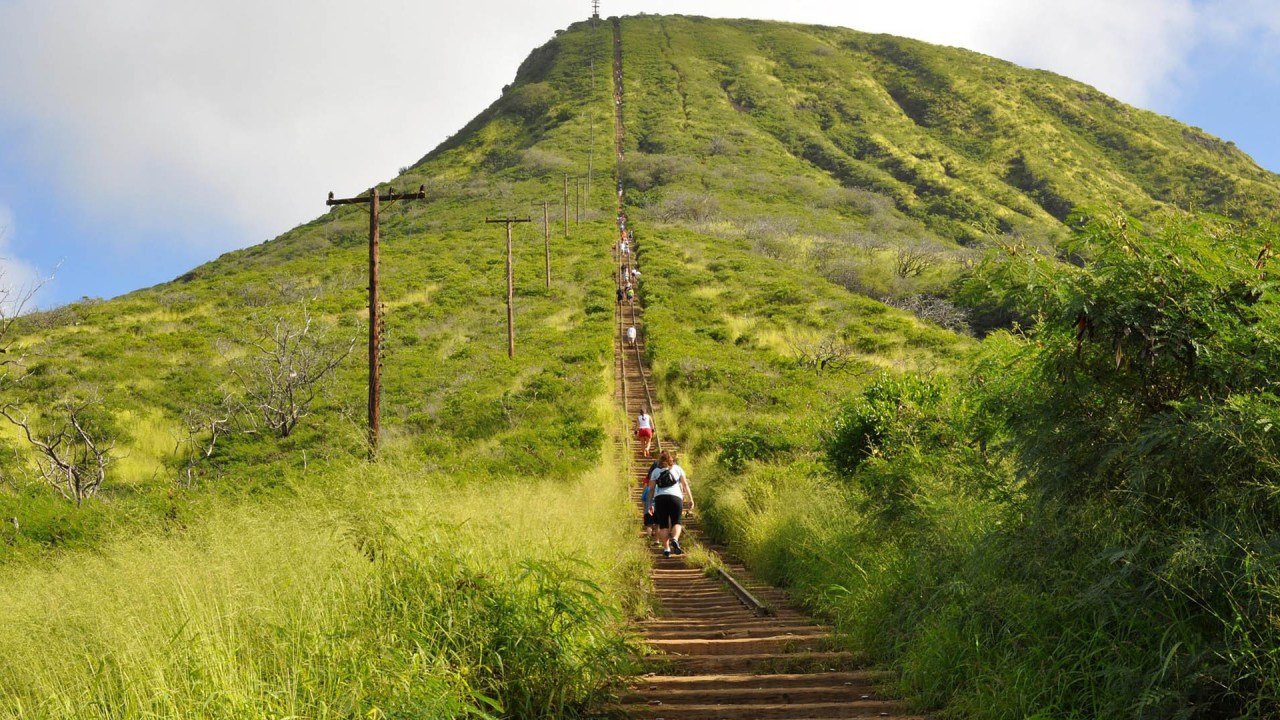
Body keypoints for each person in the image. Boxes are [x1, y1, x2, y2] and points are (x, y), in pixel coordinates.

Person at [647, 451, 693, 558]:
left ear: (660, 460)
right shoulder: (678, 469)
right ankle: (675, 539)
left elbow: (651, 489)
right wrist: (690, 499)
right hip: (676, 498)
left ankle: (667, 549)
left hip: (660, 499)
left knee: (663, 524)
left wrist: (650, 504)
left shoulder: (656, 471)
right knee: (676, 522)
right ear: (671, 460)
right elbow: (685, 485)